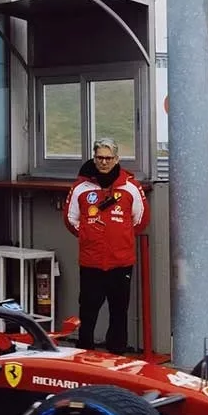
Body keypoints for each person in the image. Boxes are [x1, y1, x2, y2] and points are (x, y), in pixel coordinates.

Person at [63, 138, 150, 354]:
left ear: (117, 159)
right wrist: (88, 234)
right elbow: (70, 219)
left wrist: (120, 237)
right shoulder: (80, 188)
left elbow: (140, 219)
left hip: (121, 262)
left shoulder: (131, 187)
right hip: (91, 261)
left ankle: (117, 355)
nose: (104, 162)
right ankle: (84, 353)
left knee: (119, 312)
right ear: (94, 158)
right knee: (88, 311)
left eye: (108, 158)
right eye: (100, 157)